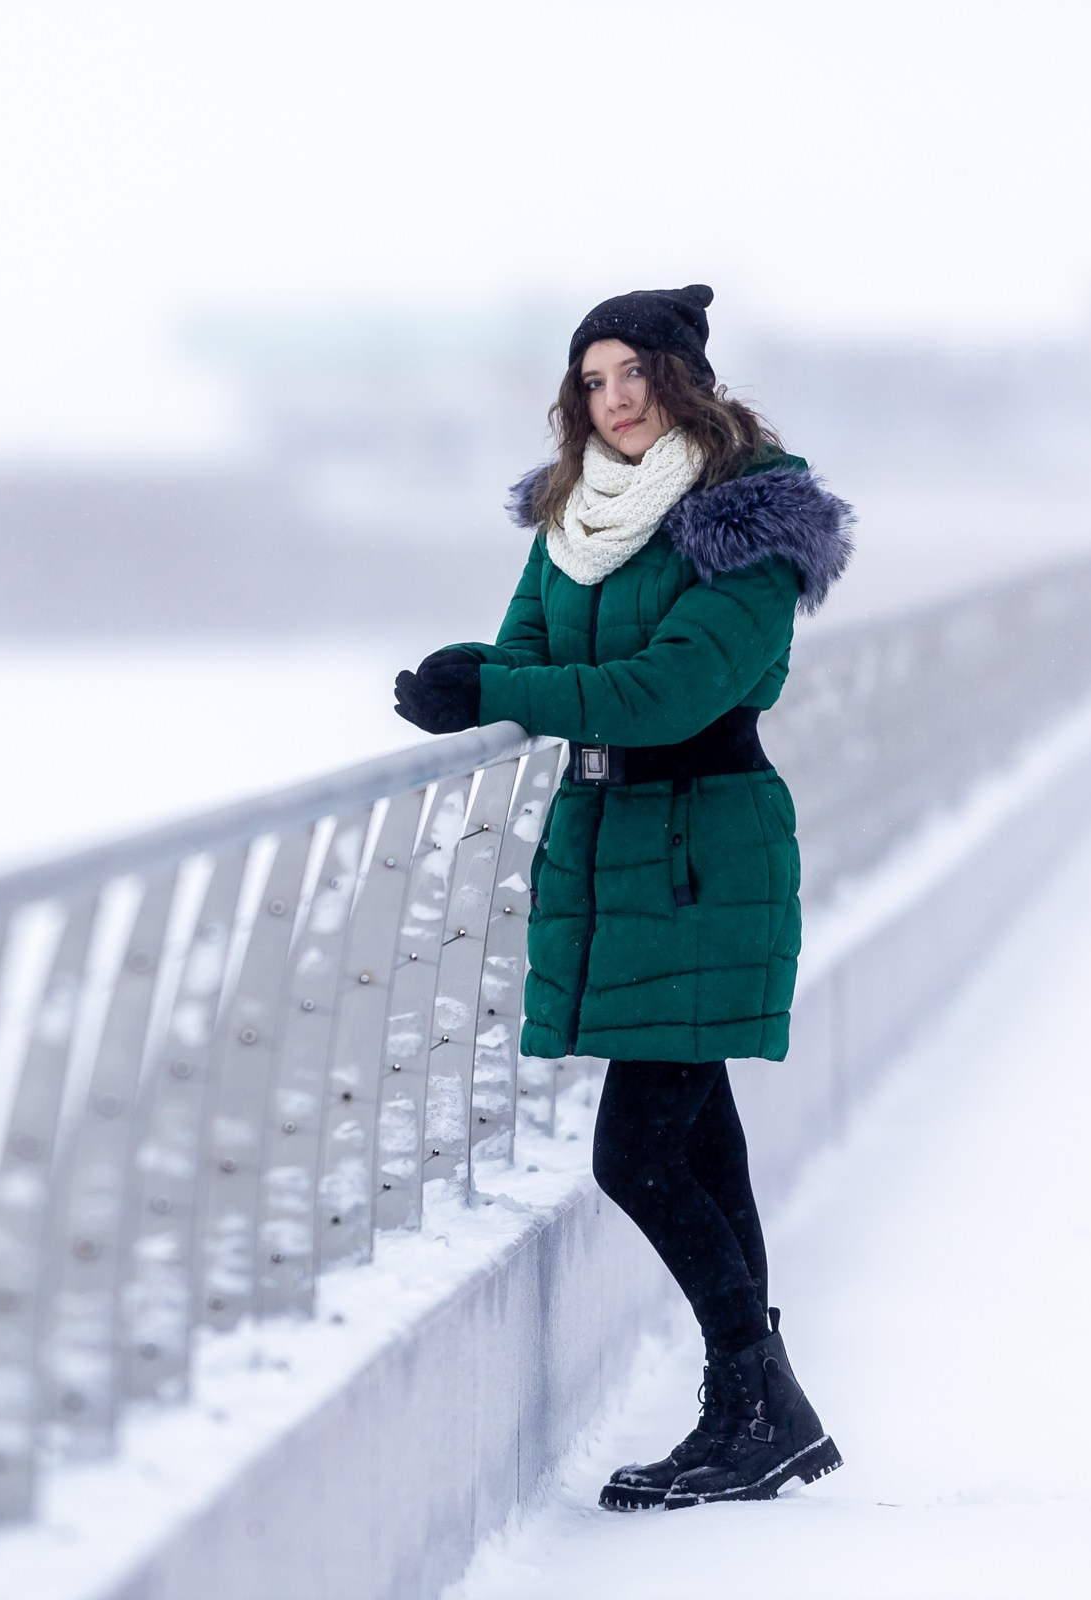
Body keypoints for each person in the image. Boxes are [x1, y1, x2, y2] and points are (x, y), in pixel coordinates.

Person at [392, 285, 855, 1510]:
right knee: (702, 1138)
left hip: (708, 846)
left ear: (683, 376)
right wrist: (484, 679)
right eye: (592, 380)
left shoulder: (746, 520)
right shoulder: (574, 520)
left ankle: (748, 1400)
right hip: (609, 844)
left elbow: (669, 692)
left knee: (638, 1153)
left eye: (635, 370)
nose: (616, 397)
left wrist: (496, 684)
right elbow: (533, 655)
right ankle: (765, 1410)